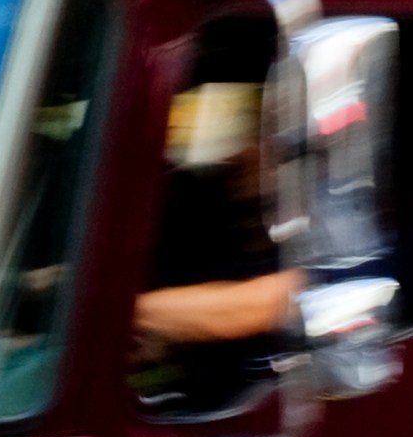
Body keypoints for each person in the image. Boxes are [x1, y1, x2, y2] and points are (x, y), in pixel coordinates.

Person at [129, 59, 301, 417]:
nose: (236, 154)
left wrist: (111, 312)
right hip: (205, 415)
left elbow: (251, 308)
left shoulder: (346, 239)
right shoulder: (232, 243)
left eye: (262, 137)